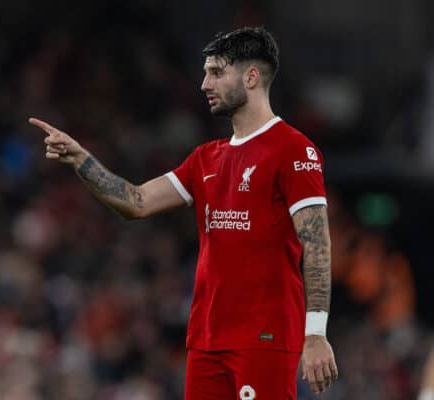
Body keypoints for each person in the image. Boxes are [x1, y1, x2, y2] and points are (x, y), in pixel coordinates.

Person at [29, 27, 337, 399]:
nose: (204, 83)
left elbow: (317, 244)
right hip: (207, 340)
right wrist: (81, 159)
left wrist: (315, 333)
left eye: (216, 72)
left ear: (251, 77)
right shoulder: (206, 157)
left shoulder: (294, 150)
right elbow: (136, 202)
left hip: (263, 338)